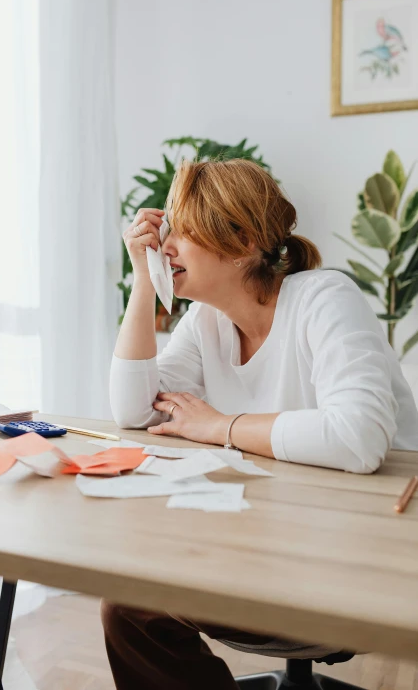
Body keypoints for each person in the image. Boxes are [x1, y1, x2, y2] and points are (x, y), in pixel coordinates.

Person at [103, 158, 418, 690]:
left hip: (370, 555)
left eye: (183, 229)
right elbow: (135, 412)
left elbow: (358, 437)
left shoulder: (324, 297)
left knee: (138, 606)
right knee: (129, 606)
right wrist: (141, 281)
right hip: (279, 536)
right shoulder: (205, 321)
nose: (165, 244)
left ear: (242, 239)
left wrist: (222, 425)